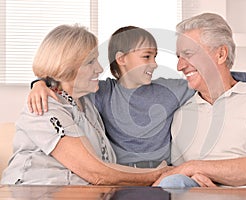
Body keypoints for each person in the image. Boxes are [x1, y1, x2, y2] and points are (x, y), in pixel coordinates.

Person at [27, 26, 246, 169]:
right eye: (147, 57)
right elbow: (65, 82)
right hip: (123, 177)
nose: (154, 64)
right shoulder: (101, 92)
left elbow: (212, 75)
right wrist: (39, 83)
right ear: (122, 59)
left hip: (164, 176)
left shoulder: (171, 89)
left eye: (156, 57)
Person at [0, 24, 169, 185]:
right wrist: (161, 173)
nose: (100, 69)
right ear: (67, 65)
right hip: (35, 191)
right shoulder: (44, 106)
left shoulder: (87, 102)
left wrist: (39, 82)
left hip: (80, 192)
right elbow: (96, 174)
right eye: (90, 62)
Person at [155, 13, 246, 188]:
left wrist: (193, 167)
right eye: (179, 57)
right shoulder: (181, 115)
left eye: (188, 54)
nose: (180, 66)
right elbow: (181, 176)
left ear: (221, 54)